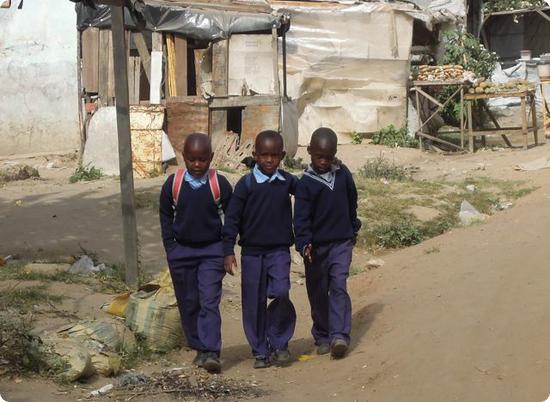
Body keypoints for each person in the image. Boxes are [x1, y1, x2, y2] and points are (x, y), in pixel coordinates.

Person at [223, 130, 297, 369]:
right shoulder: (245, 185)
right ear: (255, 155)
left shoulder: (287, 182)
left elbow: (309, 194)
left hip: (279, 251)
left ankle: (280, 342)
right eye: (264, 155)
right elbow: (232, 219)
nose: (268, 160)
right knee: (253, 301)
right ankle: (260, 350)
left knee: (282, 292)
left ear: (282, 155)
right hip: (252, 253)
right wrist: (227, 250)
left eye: (274, 156)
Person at [159, 133, 232, 373]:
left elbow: (231, 220)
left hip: (212, 252)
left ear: (211, 158)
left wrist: (227, 250)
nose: (197, 165)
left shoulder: (219, 184)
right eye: (192, 160)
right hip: (182, 252)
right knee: (189, 301)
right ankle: (199, 346)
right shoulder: (173, 184)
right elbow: (165, 216)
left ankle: (212, 351)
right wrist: (171, 247)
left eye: (203, 160)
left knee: (209, 300)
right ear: (184, 158)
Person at [293, 127, 362, 359]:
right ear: (310, 152)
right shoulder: (305, 184)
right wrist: (304, 243)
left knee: (339, 286)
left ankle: (340, 335)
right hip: (316, 248)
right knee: (318, 291)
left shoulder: (343, 175)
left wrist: (353, 227)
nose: (323, 161)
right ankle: (322, 334)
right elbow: (300, 218)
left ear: (335, 153)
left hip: (341, 242)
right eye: (318, 156)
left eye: (328, 156)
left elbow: (352, 201)